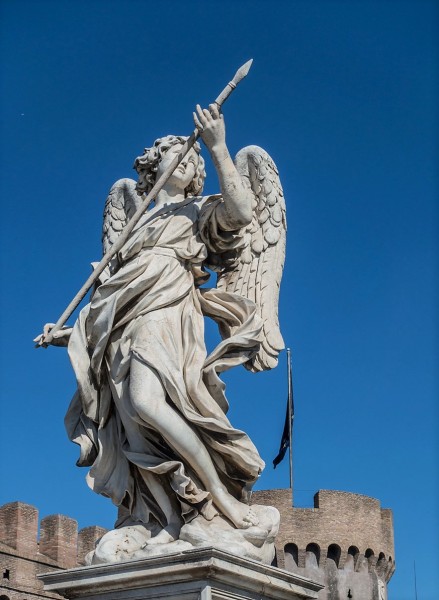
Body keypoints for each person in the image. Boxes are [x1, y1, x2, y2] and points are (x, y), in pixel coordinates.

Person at [35, 104, 265, 545]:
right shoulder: (134, 227)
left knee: (148, 401)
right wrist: (69, 334)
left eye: (191, 155)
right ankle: (168, 518)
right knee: (132, 429)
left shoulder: (198, 210)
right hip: (120, 327)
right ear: (154, 163)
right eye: (176, 151)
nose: (185, 158)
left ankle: (220, 498)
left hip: (167, 309)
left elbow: (241, 212)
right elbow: (108, 297)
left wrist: (218, 147)